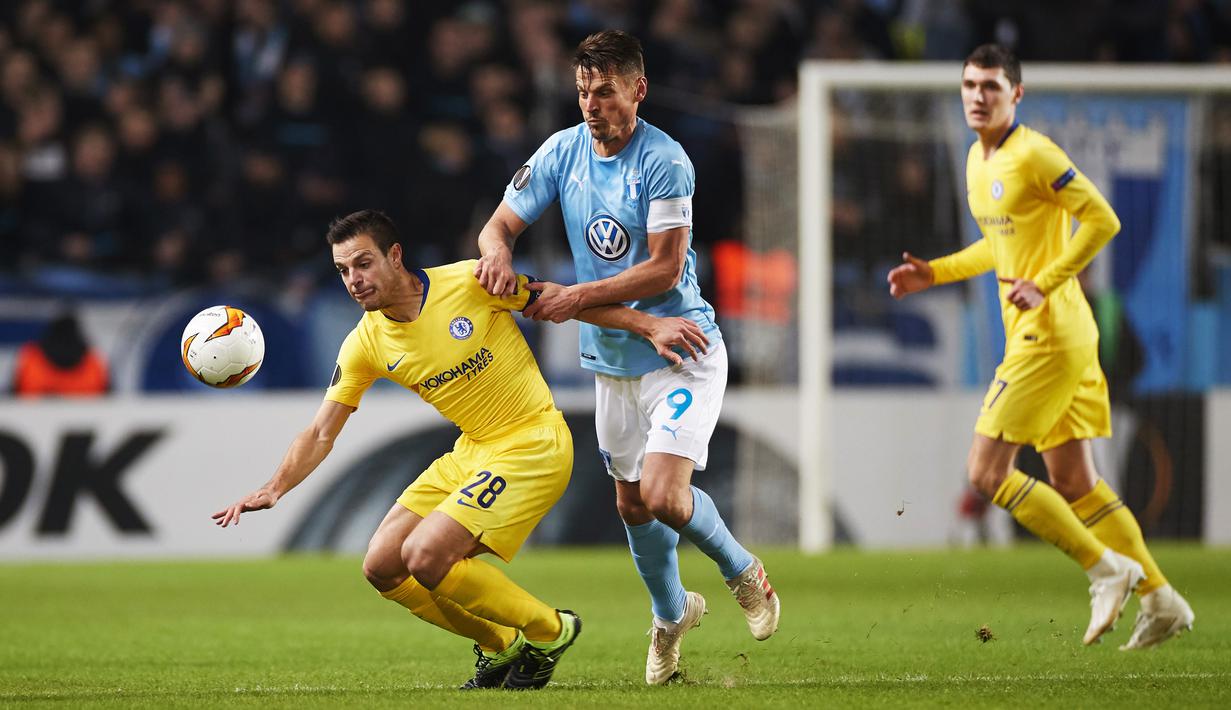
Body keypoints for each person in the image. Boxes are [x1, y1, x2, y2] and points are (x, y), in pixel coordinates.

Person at [213, 209, 708, 690]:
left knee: (426, 556)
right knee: (382, 565)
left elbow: (562, 300)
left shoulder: (472, 281)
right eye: (343, 270)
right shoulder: (364, 344)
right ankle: (499, 645)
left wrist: (648, 325)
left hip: (531, 442)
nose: (353, 279)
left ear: (395, 255)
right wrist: (275, 487)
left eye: (363, 263)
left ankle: (551, 631)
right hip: (472, 451)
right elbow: (321, 432)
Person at [474, 30, 780, 686]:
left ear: (636, 91)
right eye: (583, 91)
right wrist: (497, 252)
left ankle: (742, 571)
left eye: (605, 91)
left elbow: (664, 266)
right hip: (613, 360)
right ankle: (670, 618)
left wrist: (575, 294)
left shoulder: (664, 161)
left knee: (665, 496)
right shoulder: (560, 151)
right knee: (632, 507)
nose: (591, 104)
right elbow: (497, 226)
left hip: (680, 346)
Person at [887, 44, 1194, 650]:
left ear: (1016, 95)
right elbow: (1000, 246)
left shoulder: (1034, 152)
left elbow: (1103, 219)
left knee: (985, 473)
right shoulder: (980, 160)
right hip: (1066, 334)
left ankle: (1107, 570)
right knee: (1076, 480)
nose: (978, 96)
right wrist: (938, 273)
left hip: (1048, 333)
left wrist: (1046, 280)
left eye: (992, 87)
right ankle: (1161, 598)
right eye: (970, 85)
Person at [13, 310, 109, 397]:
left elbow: (11, 397)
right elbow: (110, 398)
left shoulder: (31, 356)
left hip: (32, 414)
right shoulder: (93, 359)